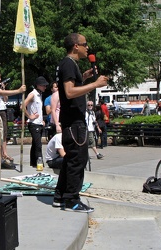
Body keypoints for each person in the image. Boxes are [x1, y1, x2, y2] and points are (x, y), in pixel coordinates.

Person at [53, 33, 108, 212]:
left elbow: (69, 87)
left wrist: (83, 78)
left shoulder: (69, 64)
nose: (87, 48)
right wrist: (95, 84)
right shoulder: (68, 63)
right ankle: (72, 200)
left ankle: (60, 196)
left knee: (71, 159)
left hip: (73, 121)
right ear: (76, 46)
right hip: (74, 122)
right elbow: (69, 92)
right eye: (85, 44)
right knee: (78, 160)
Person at [24, 76, 49, 168]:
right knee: (38, 144)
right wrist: (30, 116)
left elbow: (38, 109)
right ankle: (39, 163)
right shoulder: (33, 94)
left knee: (35, 143)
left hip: (38, 122)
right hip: (33, 123)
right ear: (38, 85)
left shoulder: (39, 95)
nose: (45, 87)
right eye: (43, 85)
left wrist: (41, 119)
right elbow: (22, 105)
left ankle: (33, 162)